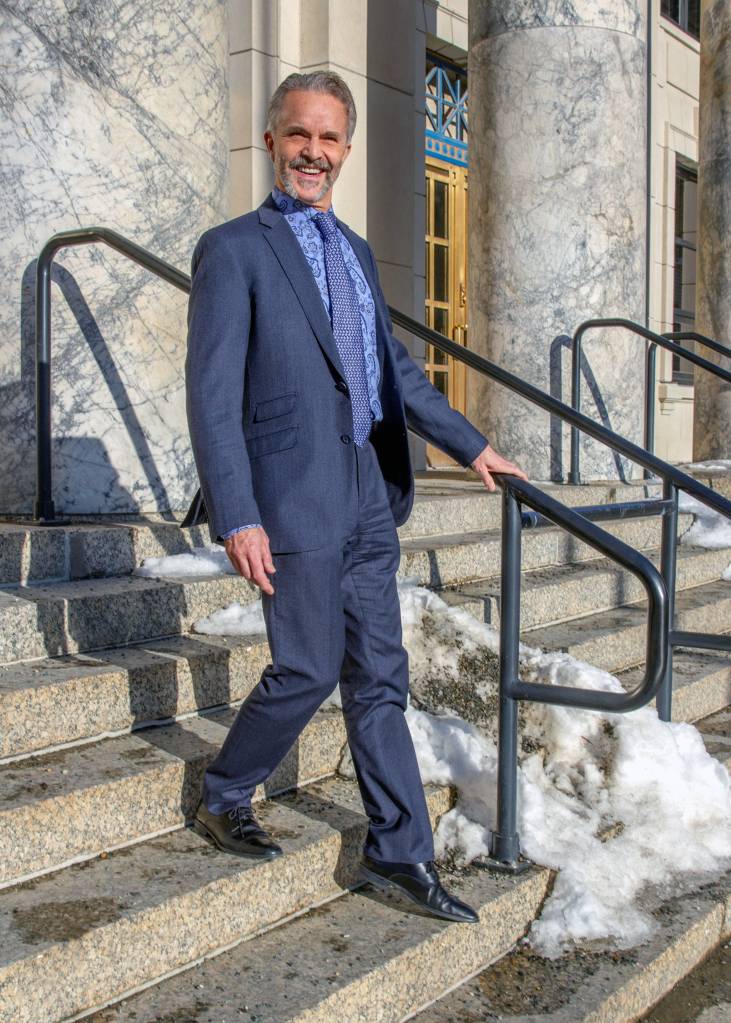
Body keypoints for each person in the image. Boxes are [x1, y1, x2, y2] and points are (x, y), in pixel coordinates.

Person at [183, 70, 527, 925]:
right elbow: (211, 394)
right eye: (299, 134)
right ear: (272, 141)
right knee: (306, 666)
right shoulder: (234, 248)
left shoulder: (356, 250)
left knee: (379, 673)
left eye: (329, 137)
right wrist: (237, 512)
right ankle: (224, 789)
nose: (314, 151)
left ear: (346, 148)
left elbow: (392, 372)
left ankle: (398, 852)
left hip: (368, 489)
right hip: (290, 493)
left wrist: (473, 445)